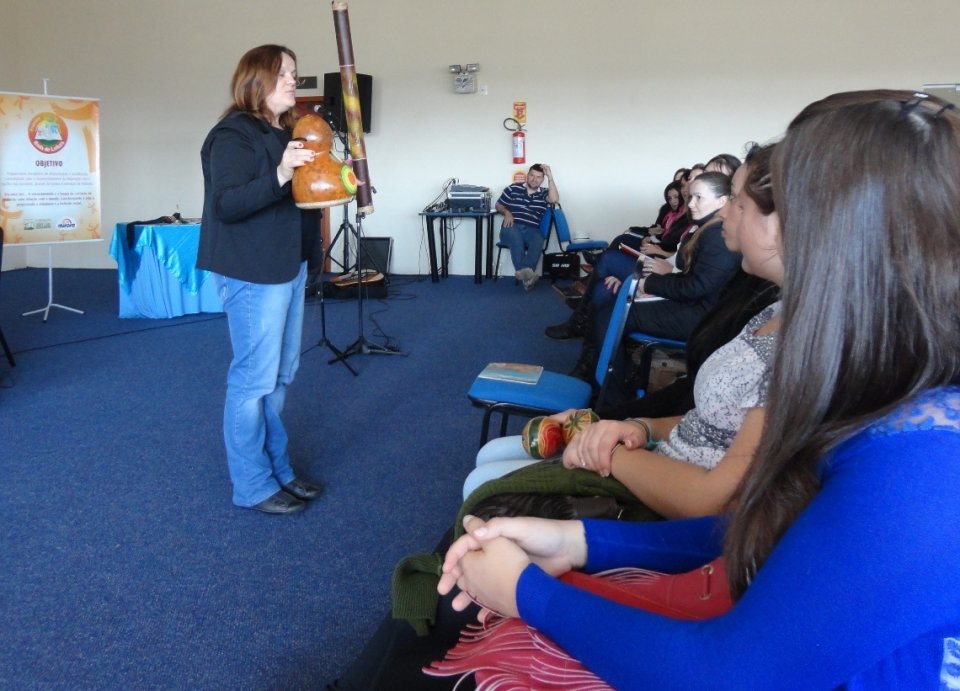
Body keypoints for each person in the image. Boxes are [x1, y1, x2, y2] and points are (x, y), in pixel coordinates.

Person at [432, 90, 960, 688]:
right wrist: (577, 541)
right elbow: (762, 530)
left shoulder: (928, 459)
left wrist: (530, 595)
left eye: (764, 202)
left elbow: (730, 673)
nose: (736, 215)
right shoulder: (880, 383)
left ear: (831, 235)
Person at [463, 145, 782, 518]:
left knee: (481, 483)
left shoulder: (789, 340)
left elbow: (714, 494)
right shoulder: (766, 305)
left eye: (738, 203)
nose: (723, 211)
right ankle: (589, 353)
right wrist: (626, 424)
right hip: (664, 444)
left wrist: (607, 439)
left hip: (668, 479)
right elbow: (701, 410)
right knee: (488, 459)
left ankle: (589, 357)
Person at [198, 44, 323, 514]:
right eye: (284, 73)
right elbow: (228, 204)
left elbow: (296, 200)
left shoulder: (284, 132)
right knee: (253, 381)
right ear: (257, 79)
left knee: (280, 376)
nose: (294, 80)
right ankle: (252, 485)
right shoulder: (233, 134)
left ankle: (279, 471)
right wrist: (282, 171)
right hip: (252, 272)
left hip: (286, 267)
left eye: (294, 72)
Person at [569, 172, 739, 383]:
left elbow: (696, 286)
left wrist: (647, 284)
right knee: (609, 298)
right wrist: (644, 283)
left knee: (610, 314)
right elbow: (692, 280)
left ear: (722, 200)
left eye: (699, 198)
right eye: (690, 197)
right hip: (694, 303)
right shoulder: (708, 227)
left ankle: (607, 388)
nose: (691, 203)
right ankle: (597, 375)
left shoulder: (717, 234)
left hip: (701, 315)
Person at [495, 163, 560, 290]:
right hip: (511, 226)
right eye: (532, 175)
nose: (534, 179)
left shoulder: (544, 193)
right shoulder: (513, 188)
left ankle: (526, 277)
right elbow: (498, 205)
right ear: (527, 175)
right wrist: (506, 212)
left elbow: (554, 199)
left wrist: (550, 177)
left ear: (543, 179)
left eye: (539, 177)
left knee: (538, 238)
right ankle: (528, 275)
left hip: (531, 229)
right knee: (516, 237)